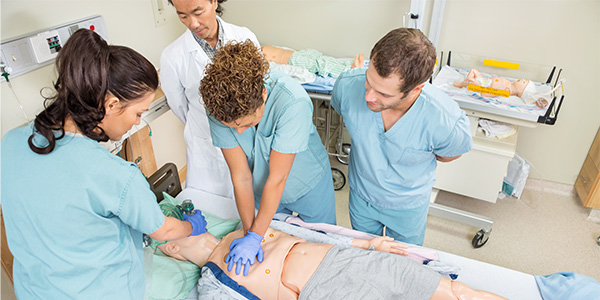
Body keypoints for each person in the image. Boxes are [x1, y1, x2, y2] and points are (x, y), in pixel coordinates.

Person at [0, 29, 208, 299]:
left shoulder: (11, 142)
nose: (137, 123)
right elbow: (164, 230)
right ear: (111, 105)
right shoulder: (114, 175)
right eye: (138, 113)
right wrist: (193, 227)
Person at [200, 41, 337, 275]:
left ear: (263, 95)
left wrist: (255, 235)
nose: (239, 132)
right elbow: (241, 176)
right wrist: (249, 231)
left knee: (322, 246)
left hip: (306, 182)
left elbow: (277, 179)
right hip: (259, 185)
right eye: (232, 127)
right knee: (270, 238)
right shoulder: (218, 106)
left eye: (247, 124)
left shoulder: (292, 102)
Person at [330, 28, 473, 246]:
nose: (368, 96)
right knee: (364, 256)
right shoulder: (347, 86)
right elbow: (344, 109)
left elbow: (450, 154)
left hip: (408, 206)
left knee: (405, 261)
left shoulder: (444, 120)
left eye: (384, 94)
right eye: (369, 81)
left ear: (415, 90)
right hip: (361, 195)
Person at [157, 215, 508, 300]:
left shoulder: (247, 223)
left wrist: (369, 245)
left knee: (454, 292)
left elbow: (309, 233)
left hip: (349, 260)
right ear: (171, 250)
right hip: (324, 292)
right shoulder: (213, 286)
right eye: (167, 228)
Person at [159, 0, 260, 199]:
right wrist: (206, 126)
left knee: (252, 204)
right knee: (213, 211)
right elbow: (179, 107)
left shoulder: (244, 37)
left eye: (198, 12)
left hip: (246, 139)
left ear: (214, 2)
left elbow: (257, 90)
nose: (193, 23)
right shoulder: (172, 56)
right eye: (183, 16)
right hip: (206, 146)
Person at [453, 68, 549, 108]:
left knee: (471, 80)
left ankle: (462, 84)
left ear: (521, 91)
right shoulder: (509, 84)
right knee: (474, 71)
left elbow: (491, 93)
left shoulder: (507, 91)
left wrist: (480, 88)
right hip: (484, 81)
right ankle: (466, 82)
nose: (523, 79)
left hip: (482, 85)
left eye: (524, 82)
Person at [261, 45, 365, 78]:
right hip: (295, 57)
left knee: (320, 62)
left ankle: (347, 67)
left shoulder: (257, 51)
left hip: (296, 56)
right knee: (319, 62)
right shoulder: (259, 53)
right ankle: (347, 67)